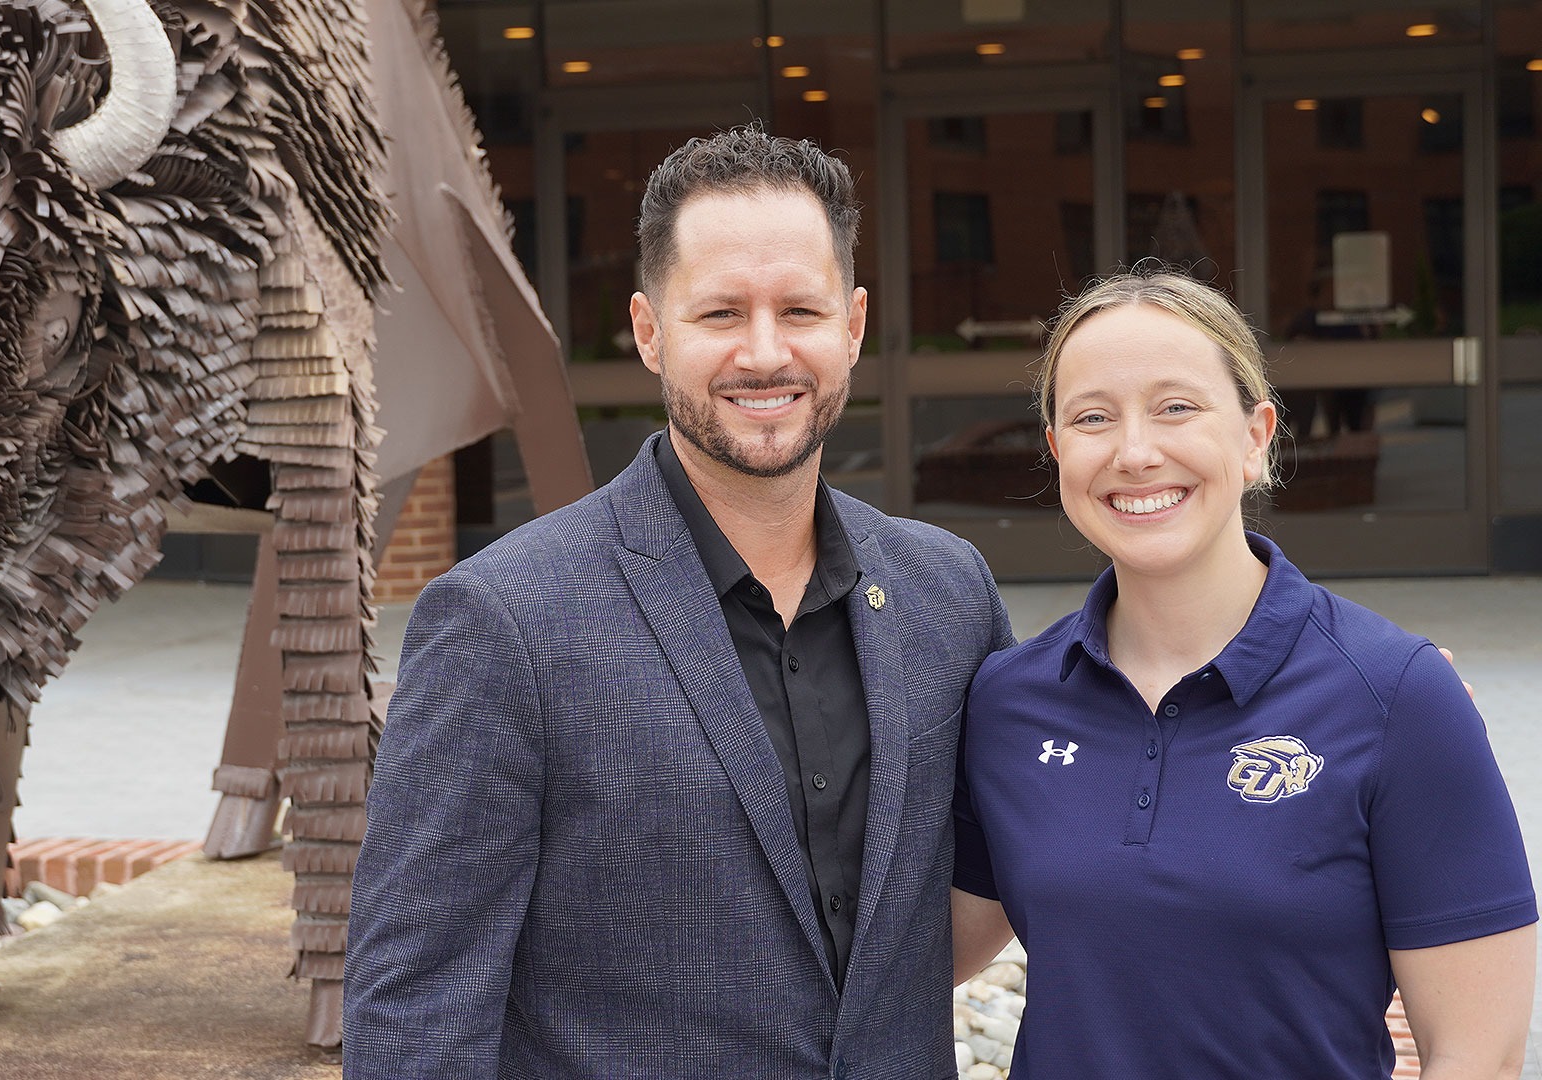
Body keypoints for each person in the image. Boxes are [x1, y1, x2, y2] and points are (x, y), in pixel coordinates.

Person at [343, 124, 1014, 1077]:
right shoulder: (501, 623)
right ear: (650, 332)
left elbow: (967, 903)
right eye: (720, 315)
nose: (766, 352)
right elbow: (417, 1008)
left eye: (801, 310)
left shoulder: (948, 595)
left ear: (854, 326)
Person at [950, 270, 1536, 1078]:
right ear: (1056, 453)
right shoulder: (1009, 701)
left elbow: (1481, 1055)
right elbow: (924, 950)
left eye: (1177, 406)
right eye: (1092, 418)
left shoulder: (1398, 695)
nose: (1135, 451)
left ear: (1257, 435)